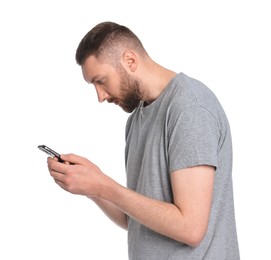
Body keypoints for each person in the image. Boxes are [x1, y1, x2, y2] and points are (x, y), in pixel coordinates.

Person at [47, 21, 240, 259]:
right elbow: (135, 218)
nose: (100, 96)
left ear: (130, 60)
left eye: (100, 80)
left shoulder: (189, 108)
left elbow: (191, 228)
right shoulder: (137, 119)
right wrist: (92, 188)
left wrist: (104, 185)